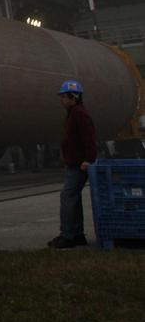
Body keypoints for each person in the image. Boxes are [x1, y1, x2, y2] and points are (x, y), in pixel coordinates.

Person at [47, 78, 96, 249]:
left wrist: (88, 160)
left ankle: (67, 236)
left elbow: (89, 139)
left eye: (63, 96)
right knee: (73, 199)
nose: (61, 99)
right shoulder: (73, 113)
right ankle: (77, 235)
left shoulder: (79, 114)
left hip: (78, 165)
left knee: (67, 198)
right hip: (74, 163)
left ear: (73, 97)